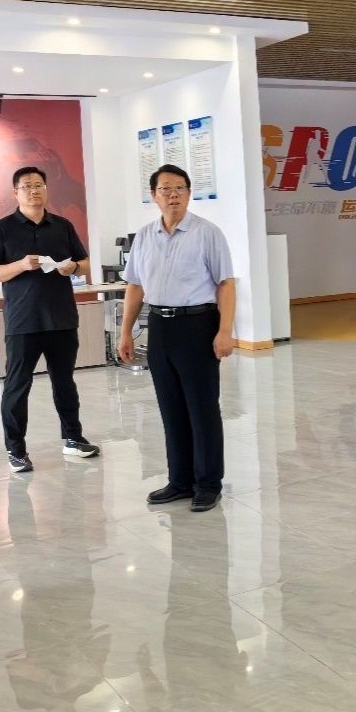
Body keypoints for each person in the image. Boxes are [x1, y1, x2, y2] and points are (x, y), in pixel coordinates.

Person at [118, 164, 236, 512]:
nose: (173, 195)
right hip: (160, 327)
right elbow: (135, 286)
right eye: (166, 189)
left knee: (202, 408)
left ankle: (208, 483)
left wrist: (225, 330)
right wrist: (126, 331)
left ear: (189, 193)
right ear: (153, 195)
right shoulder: (144, 236)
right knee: (171, 407)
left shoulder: (207, 233)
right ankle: (180, 481)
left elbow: (225, 284)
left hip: (197, 325)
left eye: (180, 188)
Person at [0, 166, 98, 472]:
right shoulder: (2, 229)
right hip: (23, 321)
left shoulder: (62, 225)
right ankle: (16, 450)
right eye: (27, 186)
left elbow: (85, 263)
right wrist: (20, 265)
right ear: (15, 192)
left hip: (61, 318)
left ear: (46, 189)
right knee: (17, 386)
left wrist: (73, 268)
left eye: (39, 185)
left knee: (65, 382)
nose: (34, 191)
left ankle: (73, 439)